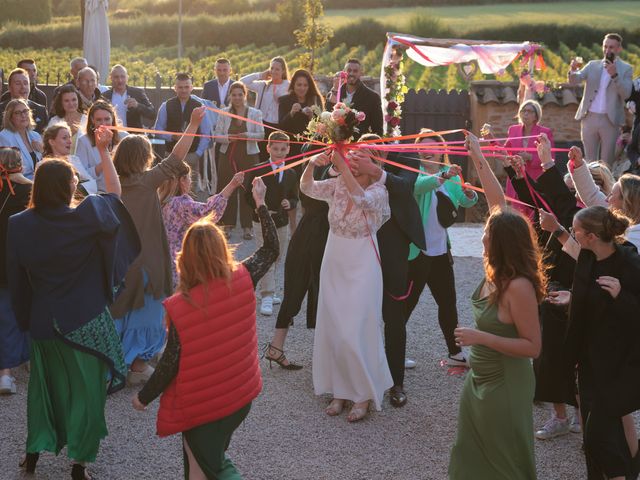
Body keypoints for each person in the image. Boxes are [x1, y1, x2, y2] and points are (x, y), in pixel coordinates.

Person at [7, 129, 140, 480]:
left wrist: (25, 322)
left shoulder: (18, 225)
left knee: (44, 391)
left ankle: (34, 452)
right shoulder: (88, 215)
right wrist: (102, 149)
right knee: (87, 392)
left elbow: (17, 281)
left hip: (43, 319)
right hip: (86, 318)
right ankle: (80, 462)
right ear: (69, 188)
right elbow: (115, 194)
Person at [132, 176, 277, 479]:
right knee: (198, 460)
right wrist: (261, 204)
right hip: (241, 394)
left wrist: (143, 397)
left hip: (206, 406)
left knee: (215, 466)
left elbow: (171, 361)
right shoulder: (243, 276)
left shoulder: (180, 306)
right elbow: (271, 250)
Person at [448, 133, 545, 479]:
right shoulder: (497, 269)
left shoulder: (518, 286)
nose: (482, 235)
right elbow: (497, 204)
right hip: (480, 375)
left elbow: (532, 347)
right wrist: (477, 155)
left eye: (487, 233)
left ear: (503, 243)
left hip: (506, 385)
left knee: (501, 462)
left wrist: (479, 340)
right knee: (468, 453)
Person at [109, 106, 207, 386]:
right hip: (147, 261)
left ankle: (117, 362)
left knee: (119, 309)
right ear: (143, 159)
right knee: (148, 312)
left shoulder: (110, 185)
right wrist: (193, 123)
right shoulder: (146, 182)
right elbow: (177, 157)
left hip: (119, 262)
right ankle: (137, 365)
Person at [547, 206, 640, 480]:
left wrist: (621, 296)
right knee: (596, 437)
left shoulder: (628, 261)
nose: (572, 235)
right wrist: (571, 299)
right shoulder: (587, 258)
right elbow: (588, 302)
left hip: (619, 364)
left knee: (599, 435)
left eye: (575, 231)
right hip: (588, 361)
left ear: (590, 236)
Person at [301, 147, 393, 422]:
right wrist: (310, 163)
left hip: (363, 261)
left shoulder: (380, 191)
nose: (350, 165)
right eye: (349, 160)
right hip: (334, 259)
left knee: (355, 327)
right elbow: (307, 188)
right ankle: (340, 390)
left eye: (356, 161)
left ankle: (363, 393)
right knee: (334, 326)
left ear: (370, 163)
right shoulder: (337, 185)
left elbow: (362, 199)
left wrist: (342, 168)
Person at [348, 134, 426, 407]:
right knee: (359, 313)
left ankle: (396, 383)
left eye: (374, 151)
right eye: (364, 152)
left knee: (394, 316)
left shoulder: (406, 158)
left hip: (393, 249)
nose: (369, 155)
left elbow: (405, 188)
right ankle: (357, 379)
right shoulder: (353, 163)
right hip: (358, 248)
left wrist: (375, 171)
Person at [404, 129, 478, 366]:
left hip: (441, 251)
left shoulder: (453, 178)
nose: (428, 151)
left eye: (432, 147)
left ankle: (455, 353)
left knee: (448, 303)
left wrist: (470, 195)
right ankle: (390, 350)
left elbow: (464, 201)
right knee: (406, 304)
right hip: (417, 251)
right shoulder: (414, 174)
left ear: (441, 151)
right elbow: (418, 188)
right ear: (418, 151)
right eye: (423, 147)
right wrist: (444, 175)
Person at [266, 145, 333, 369]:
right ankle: (321, 355)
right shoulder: (319, 171)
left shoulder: (311, 169)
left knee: (302, 289)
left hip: (310, 233)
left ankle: (277, 347)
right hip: (317, 235)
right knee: (313, 290)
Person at [159, 164, 244, 288]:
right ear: (182, 181)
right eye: (188, 178)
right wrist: (232, 185)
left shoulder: (164, 200)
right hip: (179, 258)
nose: (190, 182)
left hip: (166, 257)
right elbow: (209, 212)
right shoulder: (180, 203)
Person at [244, 131, 299, 316]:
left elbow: (295, 197)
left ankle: (269, 290)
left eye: (283, 149)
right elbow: (247, 195)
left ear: (289, 149)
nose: (279, 152)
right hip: (261, 219)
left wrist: (289, 203)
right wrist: (258, 206)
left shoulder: (292, 172)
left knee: (277, 255)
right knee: (266, 253)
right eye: (275, 148)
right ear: (267, 148)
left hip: (281, 221)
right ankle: (267, 295)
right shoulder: (258, 169)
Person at [568, 33, 633, 166]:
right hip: (589, 117)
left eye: (611, 47)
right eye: (605, 46)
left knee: (606, 163)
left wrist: (614, 75)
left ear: (619, 49)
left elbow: (626, 94)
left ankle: (605, 187)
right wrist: (572, 70)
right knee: (589, 161)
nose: (607, 50)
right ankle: (589, 187)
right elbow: (575, 80)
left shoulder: (626, 69)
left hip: (610, 120)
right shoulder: (592, 65)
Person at [214, 81, 264, 240]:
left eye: (240, 94)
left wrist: (247, 135)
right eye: (234, 95)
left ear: (245, 95)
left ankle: (247, 227)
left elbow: (262, 135)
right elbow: (217, 136)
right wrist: (229, 138)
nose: (237, 98)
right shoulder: (223, 113)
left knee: (247, 188)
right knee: (226, 187)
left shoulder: (256, 113)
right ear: (230, 96)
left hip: (249, 156)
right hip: (227, 156)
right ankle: (226, 225)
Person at [0, 148, 32, 395]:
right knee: (30, 312)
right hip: (25, 262)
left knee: (7, 317)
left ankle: (6, 374)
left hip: (3, 265)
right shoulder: (30, 190)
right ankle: (32, 361)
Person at [278, 68, 324, 232]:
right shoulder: (285, 101)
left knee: (307, 189)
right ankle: (293, 228)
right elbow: (280, 127)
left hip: (310, 150)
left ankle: (305, 227)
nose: (302, 88)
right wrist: (291, 113)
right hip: (291, 150)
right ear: (293, 85)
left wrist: (313, 118)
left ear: (309, 86)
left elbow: (323, 129)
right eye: (299, 84)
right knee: (292, 189)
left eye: (305, 85)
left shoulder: (316, 99)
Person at [154, 73, 212, 201]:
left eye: (186, 87)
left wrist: (198, 153)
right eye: (180, 87)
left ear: (192, 87)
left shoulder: (200, 107)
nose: (184, 90)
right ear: (175, 88)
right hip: (171, 155)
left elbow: (206, 133)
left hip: (192, 155)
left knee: (190, 193)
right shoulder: (166, 106)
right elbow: (157, 129)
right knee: (169, 190)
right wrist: (171, 136)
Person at [240, 56, 289, 162]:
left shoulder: (288, 86)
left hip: (279, 126)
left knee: (276, 156)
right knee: (261, 156)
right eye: (272, 68)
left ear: (283, 71)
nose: (274, 71)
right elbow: (242, 82)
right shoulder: (263, 85)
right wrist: (260, 75)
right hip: (261, 125)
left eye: (277, 69)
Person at [76, 101, 125, 192]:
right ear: (92, 120)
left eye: (107, 119)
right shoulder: (84, 141)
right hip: (99, 192)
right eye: (99, 120)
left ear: (113, 119)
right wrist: (105, 161)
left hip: (124, 190)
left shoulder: (124, 137)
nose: (103, 124)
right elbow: (83, 175)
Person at [326, 59, 383, 136]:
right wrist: (335, 89)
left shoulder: (373, 97)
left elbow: (377, 129)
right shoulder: (334, 93)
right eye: (349, 70)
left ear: (361, 73)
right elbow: (328, 119)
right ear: (344, 72)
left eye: (355, 71)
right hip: (337, 143)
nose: (351, 73)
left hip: (360, 145)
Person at [43, 123, 98, 195]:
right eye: (64, 138)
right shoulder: (43, 165)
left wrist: (77, 190)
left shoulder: (74, 160)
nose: (70, 141)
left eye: (70, 137)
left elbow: (93, 184)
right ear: (52, 142)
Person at [0, 99, 43, 180]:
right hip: (18, 185)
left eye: (25, 111)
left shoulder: (35, 135)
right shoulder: (4, 137)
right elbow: (9, 172)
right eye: (17, 113)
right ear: (10, 118)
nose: (23, 115)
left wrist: (42, 151)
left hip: (38, 183)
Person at [103, 64, 156, 130]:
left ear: (127, 77)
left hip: (132, 137)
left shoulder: (137, 93)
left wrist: (138, 106)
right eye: (116, 77)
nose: (120, 80)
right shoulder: (104, 96)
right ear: (111, 78)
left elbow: (152, 114)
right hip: (113, 136)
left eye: (123, 77)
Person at [0, 68, 48, 134]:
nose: (23, 87)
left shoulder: (41, 111)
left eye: (26, 83)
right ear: (9, 87)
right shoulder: (1, 109)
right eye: (18, 83)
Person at [47, 84, 87, 153]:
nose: (71, 103)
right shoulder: (54, 121)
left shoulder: (87, 120)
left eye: (74, 100)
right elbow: (47, 144)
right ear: (61, 103)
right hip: (60, 162)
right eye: (66, 101)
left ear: (78, 100)